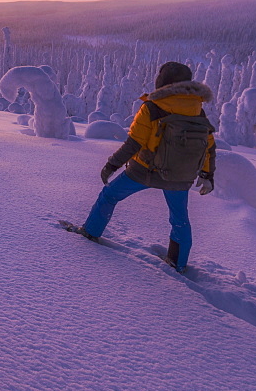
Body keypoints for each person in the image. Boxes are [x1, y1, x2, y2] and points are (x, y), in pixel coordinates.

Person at [71, 61, 215, 272]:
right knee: (180, 219)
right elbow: (209, 146)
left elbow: (134, 143)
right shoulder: (197, 110)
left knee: (109, 195)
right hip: (180, 175)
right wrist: (207, 174)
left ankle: (90, 232)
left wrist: (112, 165)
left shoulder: (152, 106)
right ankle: (178, 263)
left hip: (144, 170)